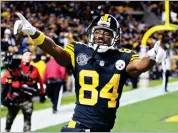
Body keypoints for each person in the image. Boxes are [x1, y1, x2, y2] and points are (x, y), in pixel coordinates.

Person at [14, 13, 166, 132]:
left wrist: (152, 57)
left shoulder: (124, 56)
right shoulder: (78, 50)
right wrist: (33, 32)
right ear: (91, 32)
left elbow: (139, 67)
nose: (100, 36)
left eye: (106, 33)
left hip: (103, 128)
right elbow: (54, 49)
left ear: (115, 36)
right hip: (80, 127)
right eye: (98, 31)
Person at [1, 48, 46, 132]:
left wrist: (42, 94)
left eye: (30, 55)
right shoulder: (14, 67)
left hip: (27, 99)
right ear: (22, 56)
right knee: (10, 118)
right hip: (14, 98)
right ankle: (7, 130)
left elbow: (40, 81)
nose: (28, 56)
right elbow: (4, 80)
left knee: (27, 120)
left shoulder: (34, 69)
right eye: (26, 54)